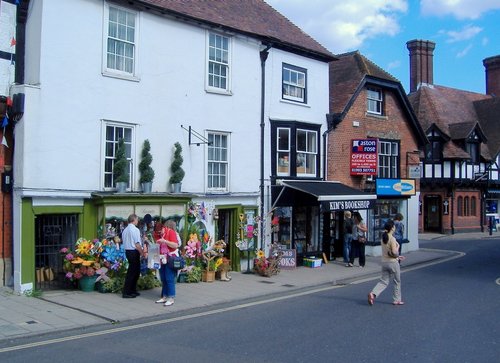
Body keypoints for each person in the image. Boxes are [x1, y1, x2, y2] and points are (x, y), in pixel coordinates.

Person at [368, 220, 406, 306]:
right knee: (397, 281)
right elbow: (394, 252)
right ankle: (397, 300)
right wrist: (398, 248)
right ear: (392, 228)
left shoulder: (383, 238)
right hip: (393, 263)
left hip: (384, 262)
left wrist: (397, 256)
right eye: (394, 226)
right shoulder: (392, 239)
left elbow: (388, 252)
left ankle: (373, 294)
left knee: (383, 281)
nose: (395, 227)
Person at [155, 219, 181, 306]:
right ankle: (165, 296)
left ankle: (171, 297)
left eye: (160, 232)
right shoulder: (157, 234)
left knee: (169, 278)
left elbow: (175, 245)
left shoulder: (171, 232)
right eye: (157, 233)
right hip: (161, 258)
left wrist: (165, 241)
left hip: (170, 258)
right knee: (163, 278)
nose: (160, 234)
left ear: (164, 228)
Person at [122, 214, 146, 298]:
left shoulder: (125, 230)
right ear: (134, 220)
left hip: (128, 251)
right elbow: (137, 244)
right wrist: (142, 253)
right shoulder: (135, 230)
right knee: (133, 272)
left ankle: (132, 290)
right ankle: (127, 292)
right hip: (133, 251)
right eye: (137, 219)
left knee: (134, 271)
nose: (138, 221)